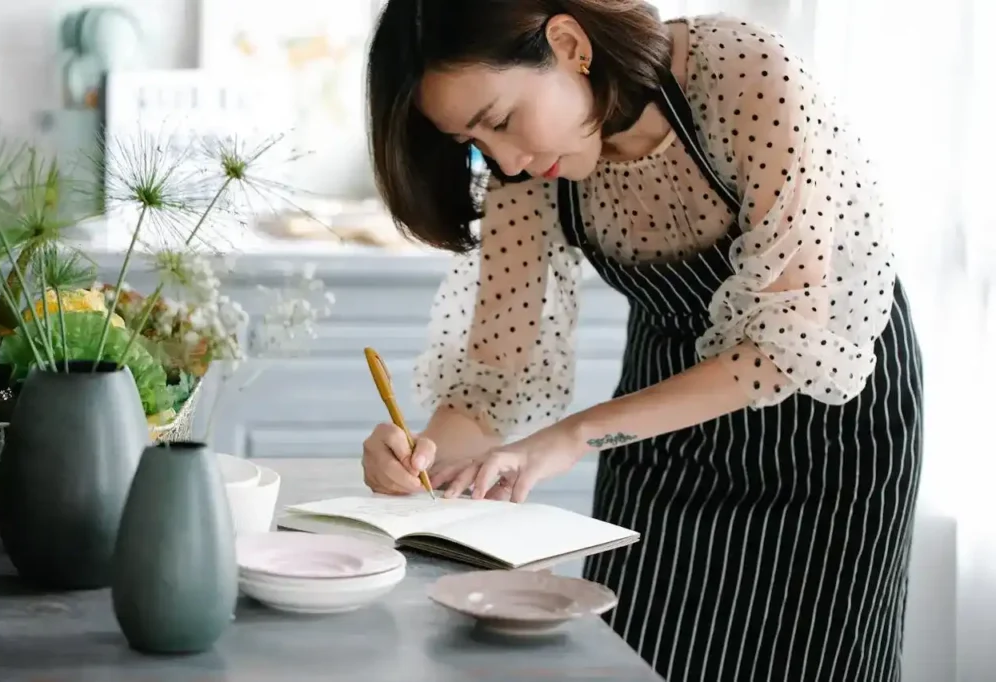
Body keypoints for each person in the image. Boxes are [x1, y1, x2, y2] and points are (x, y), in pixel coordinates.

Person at [361, 1, 923, 680]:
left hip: (827, 436)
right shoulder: (528, 171)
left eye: (502, 120)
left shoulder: (744, 75)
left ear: (568, 43)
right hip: (658, 437)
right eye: (475, 145)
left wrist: (569, 437)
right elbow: (492, 379)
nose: (506, 159)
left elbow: (784, 346)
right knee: (634, 654)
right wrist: (417, 463)